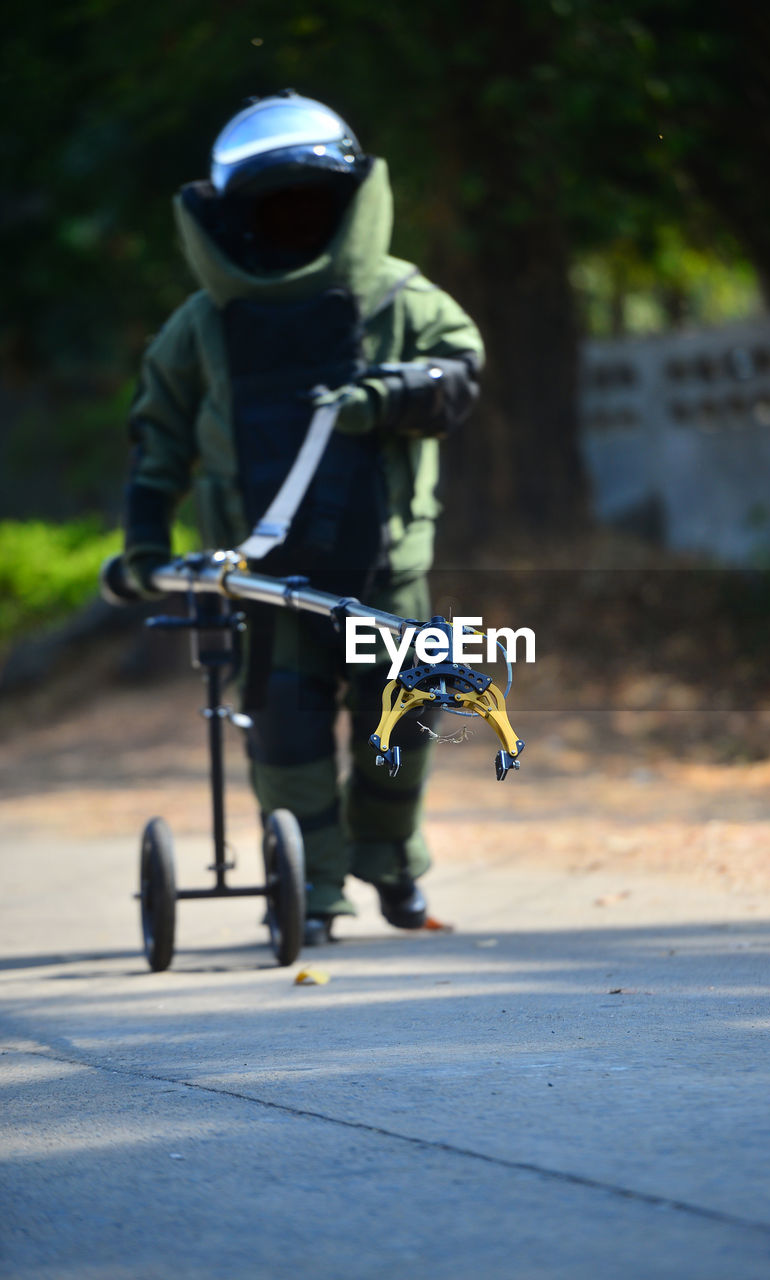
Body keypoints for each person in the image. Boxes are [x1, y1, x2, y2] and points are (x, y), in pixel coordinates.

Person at [121, 92, 484, 944]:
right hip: (264, 577)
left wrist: (392, 395)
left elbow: (460, 369)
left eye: (312, 202)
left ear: (349, 202)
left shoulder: (399, 296)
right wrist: (142, 541)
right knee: (285, 733)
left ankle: (390, 863)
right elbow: (158, 434)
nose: (294, 219)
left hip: (384, 566)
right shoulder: (205, 322)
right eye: (273, 205)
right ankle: (313, 893)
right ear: (236, 217)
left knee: (408, 712)